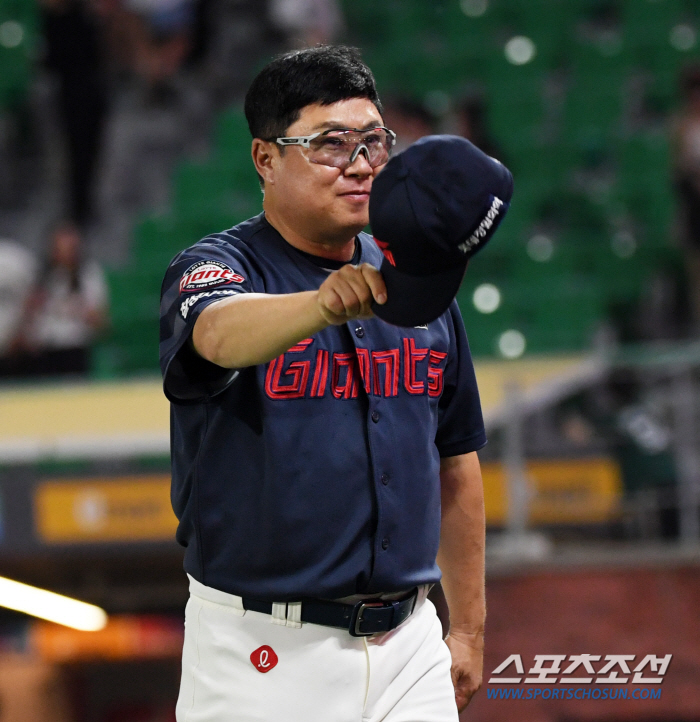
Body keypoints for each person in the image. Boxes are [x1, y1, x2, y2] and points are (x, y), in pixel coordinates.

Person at [159, 46, 490, 721]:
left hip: (410, 641)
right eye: (331, 145)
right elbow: (217, 335)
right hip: (262, 648)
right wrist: (323, 303)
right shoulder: (219, 265)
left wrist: (469, 628)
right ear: (265, 158)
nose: (362, 163)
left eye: (373, 141)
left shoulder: (416, 284)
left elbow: (455, 460)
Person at [8, 221, 108, 376]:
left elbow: (100, 322)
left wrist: (78, 306)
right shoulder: (42, 276)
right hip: (44, 350)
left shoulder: (87, 275)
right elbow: (28, 316)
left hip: (74, 349)